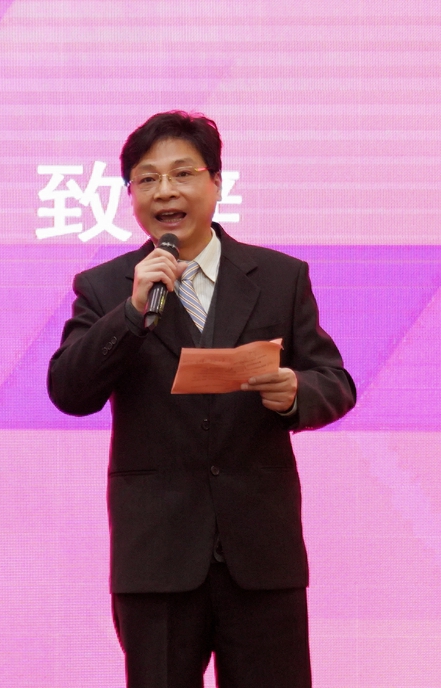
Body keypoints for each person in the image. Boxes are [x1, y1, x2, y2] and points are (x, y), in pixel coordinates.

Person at [47, 111, 356, 687]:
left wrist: (296, 393)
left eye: (182, 173)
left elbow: (334, 380)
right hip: (157, 557)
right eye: (147, 179)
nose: (165, 191)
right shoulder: (107, 287)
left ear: (216, 182)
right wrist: (131, 313)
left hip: (261, 553)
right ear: (131, 195)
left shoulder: (280, 277)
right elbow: (69, 390)